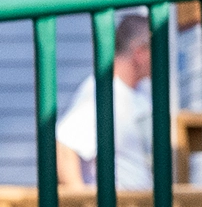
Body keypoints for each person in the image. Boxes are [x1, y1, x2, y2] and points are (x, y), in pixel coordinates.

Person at [57, 13, 154, 190]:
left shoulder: (137, 93)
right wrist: (83, 205)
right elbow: (64, 147)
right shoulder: (103, 92)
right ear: (140, 52)